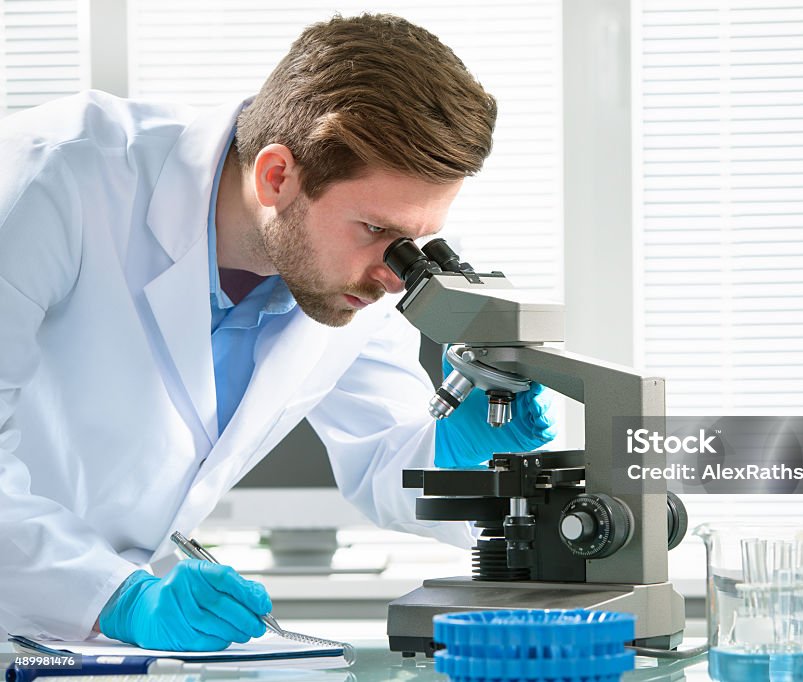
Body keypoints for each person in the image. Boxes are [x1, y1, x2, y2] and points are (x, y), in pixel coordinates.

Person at [0, 14, 555, 650]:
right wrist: (112, 595)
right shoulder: (53, 180)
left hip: (82, 643)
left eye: (415, 242)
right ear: (276, 176)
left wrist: (454, 450)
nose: (396, 273)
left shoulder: (345, 275)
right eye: (377, 231)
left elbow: (383, 453)